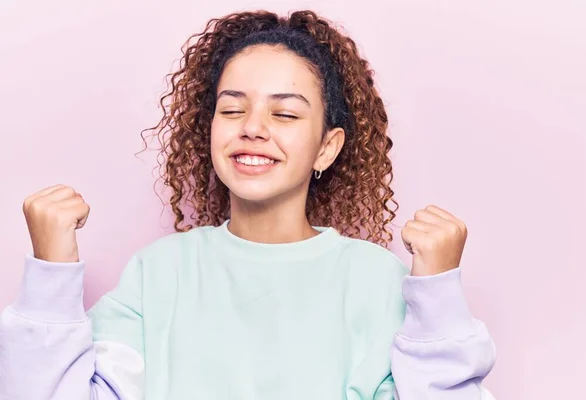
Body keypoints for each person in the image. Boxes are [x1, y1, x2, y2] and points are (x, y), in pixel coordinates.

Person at [0, 9, 496, 400]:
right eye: (232, 108)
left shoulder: (377, 281)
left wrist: (438, 299)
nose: (252, 127)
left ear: (327, 147)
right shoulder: (159, 273)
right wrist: (51, 276)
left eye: (284, 112)